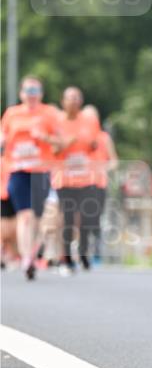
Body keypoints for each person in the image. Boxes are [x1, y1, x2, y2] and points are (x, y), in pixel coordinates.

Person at [0, 77, 61, 279]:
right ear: (21, 94)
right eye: (28, 91)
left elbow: (60, 143)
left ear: (41, 94)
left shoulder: (49, 113)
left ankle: (31, 253)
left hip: (41, 170)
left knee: (37, 217)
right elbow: (2, 136)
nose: (32, 95)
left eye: (36, 91)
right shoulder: (12, 114)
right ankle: (27, 258)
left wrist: (44, 137)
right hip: (17, 169)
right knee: (24, 216)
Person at [51, 86, 101, 273]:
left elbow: (95, 145)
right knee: (68, 217)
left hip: (86, 176)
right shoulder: (56, 122)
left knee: (87, 215)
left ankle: (83, 252)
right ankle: (67, 256)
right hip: (64, 177)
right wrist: (66, 143)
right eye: (70, 98)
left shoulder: (90, 121)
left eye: (77, 98)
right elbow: (53, 150)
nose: (73, 101)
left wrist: (89, 145)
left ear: (81, 101)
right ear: (63, 101)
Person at [81, 105, 119, 265]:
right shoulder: (78, 136)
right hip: (78, 183)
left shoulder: (104, 137)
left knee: (95, 218)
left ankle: (96, 252)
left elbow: (114, 162)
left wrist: (102, 167)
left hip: (98, 183)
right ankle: (80, 251)